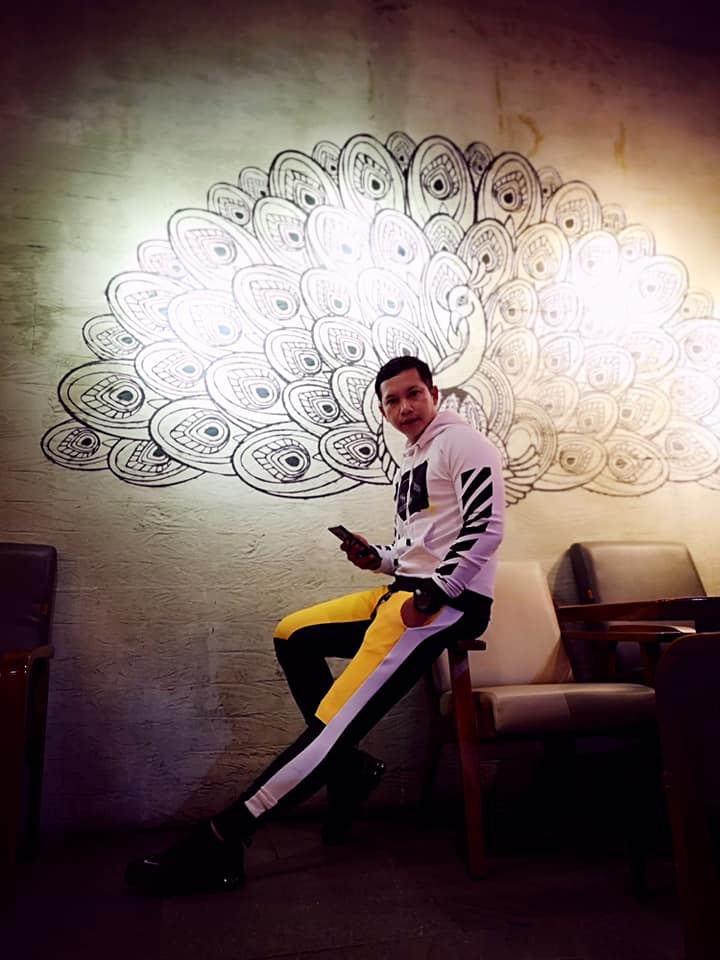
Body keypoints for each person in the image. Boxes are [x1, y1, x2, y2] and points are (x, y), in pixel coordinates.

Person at [125, 355, 505, 896]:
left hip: (442, 601)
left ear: (434, 394)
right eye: (392, 401)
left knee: (332, 724)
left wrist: (436, 593)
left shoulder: (464, 442)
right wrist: (378, 558)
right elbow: (419, 547)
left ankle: (223, 837)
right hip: (408, 589)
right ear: (383, 409)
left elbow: (486, 526)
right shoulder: (414, 456)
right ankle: (346, 768)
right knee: (293, 633)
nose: (404, 407)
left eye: (413, 394)